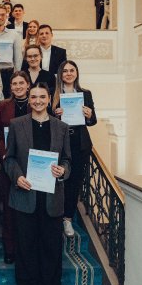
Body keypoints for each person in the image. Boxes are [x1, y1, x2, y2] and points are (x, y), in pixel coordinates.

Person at [5, 83, 71, 285]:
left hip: (52, 199)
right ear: (29, 99)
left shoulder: (61, 127)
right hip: (25, 196)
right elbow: (9, 158)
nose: (38, 100)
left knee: (51, 248)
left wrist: (63, 171)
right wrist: (18, 177)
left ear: (49, 98)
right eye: (34, 97)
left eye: (42, 96)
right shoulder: (16, 125)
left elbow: (67, 160)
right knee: (26, 247)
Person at [52, 60, 97, 237]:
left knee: (74, 182)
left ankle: (68, 219)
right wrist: (55, 116)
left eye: (72, 70)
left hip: (79, 143)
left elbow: (93, 122)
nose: (69, 73)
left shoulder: (85, 93)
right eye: (65, 71)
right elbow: (45, 118)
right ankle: (55, 215)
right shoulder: (54, 93)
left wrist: (89, 115)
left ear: (76, 73)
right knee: (58, 180)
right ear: (60, 74)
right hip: (60, 142)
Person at [0, 71, 32, 264]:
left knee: (29, 207)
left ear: (28, 85)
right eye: (14, 84)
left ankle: (27, 248)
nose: (17, 87)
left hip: (31, 164)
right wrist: (2, 152)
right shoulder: (3, 106)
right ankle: (10, 248)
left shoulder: (37, 104)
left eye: (21, 83)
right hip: (8, 162)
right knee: (8, 207)